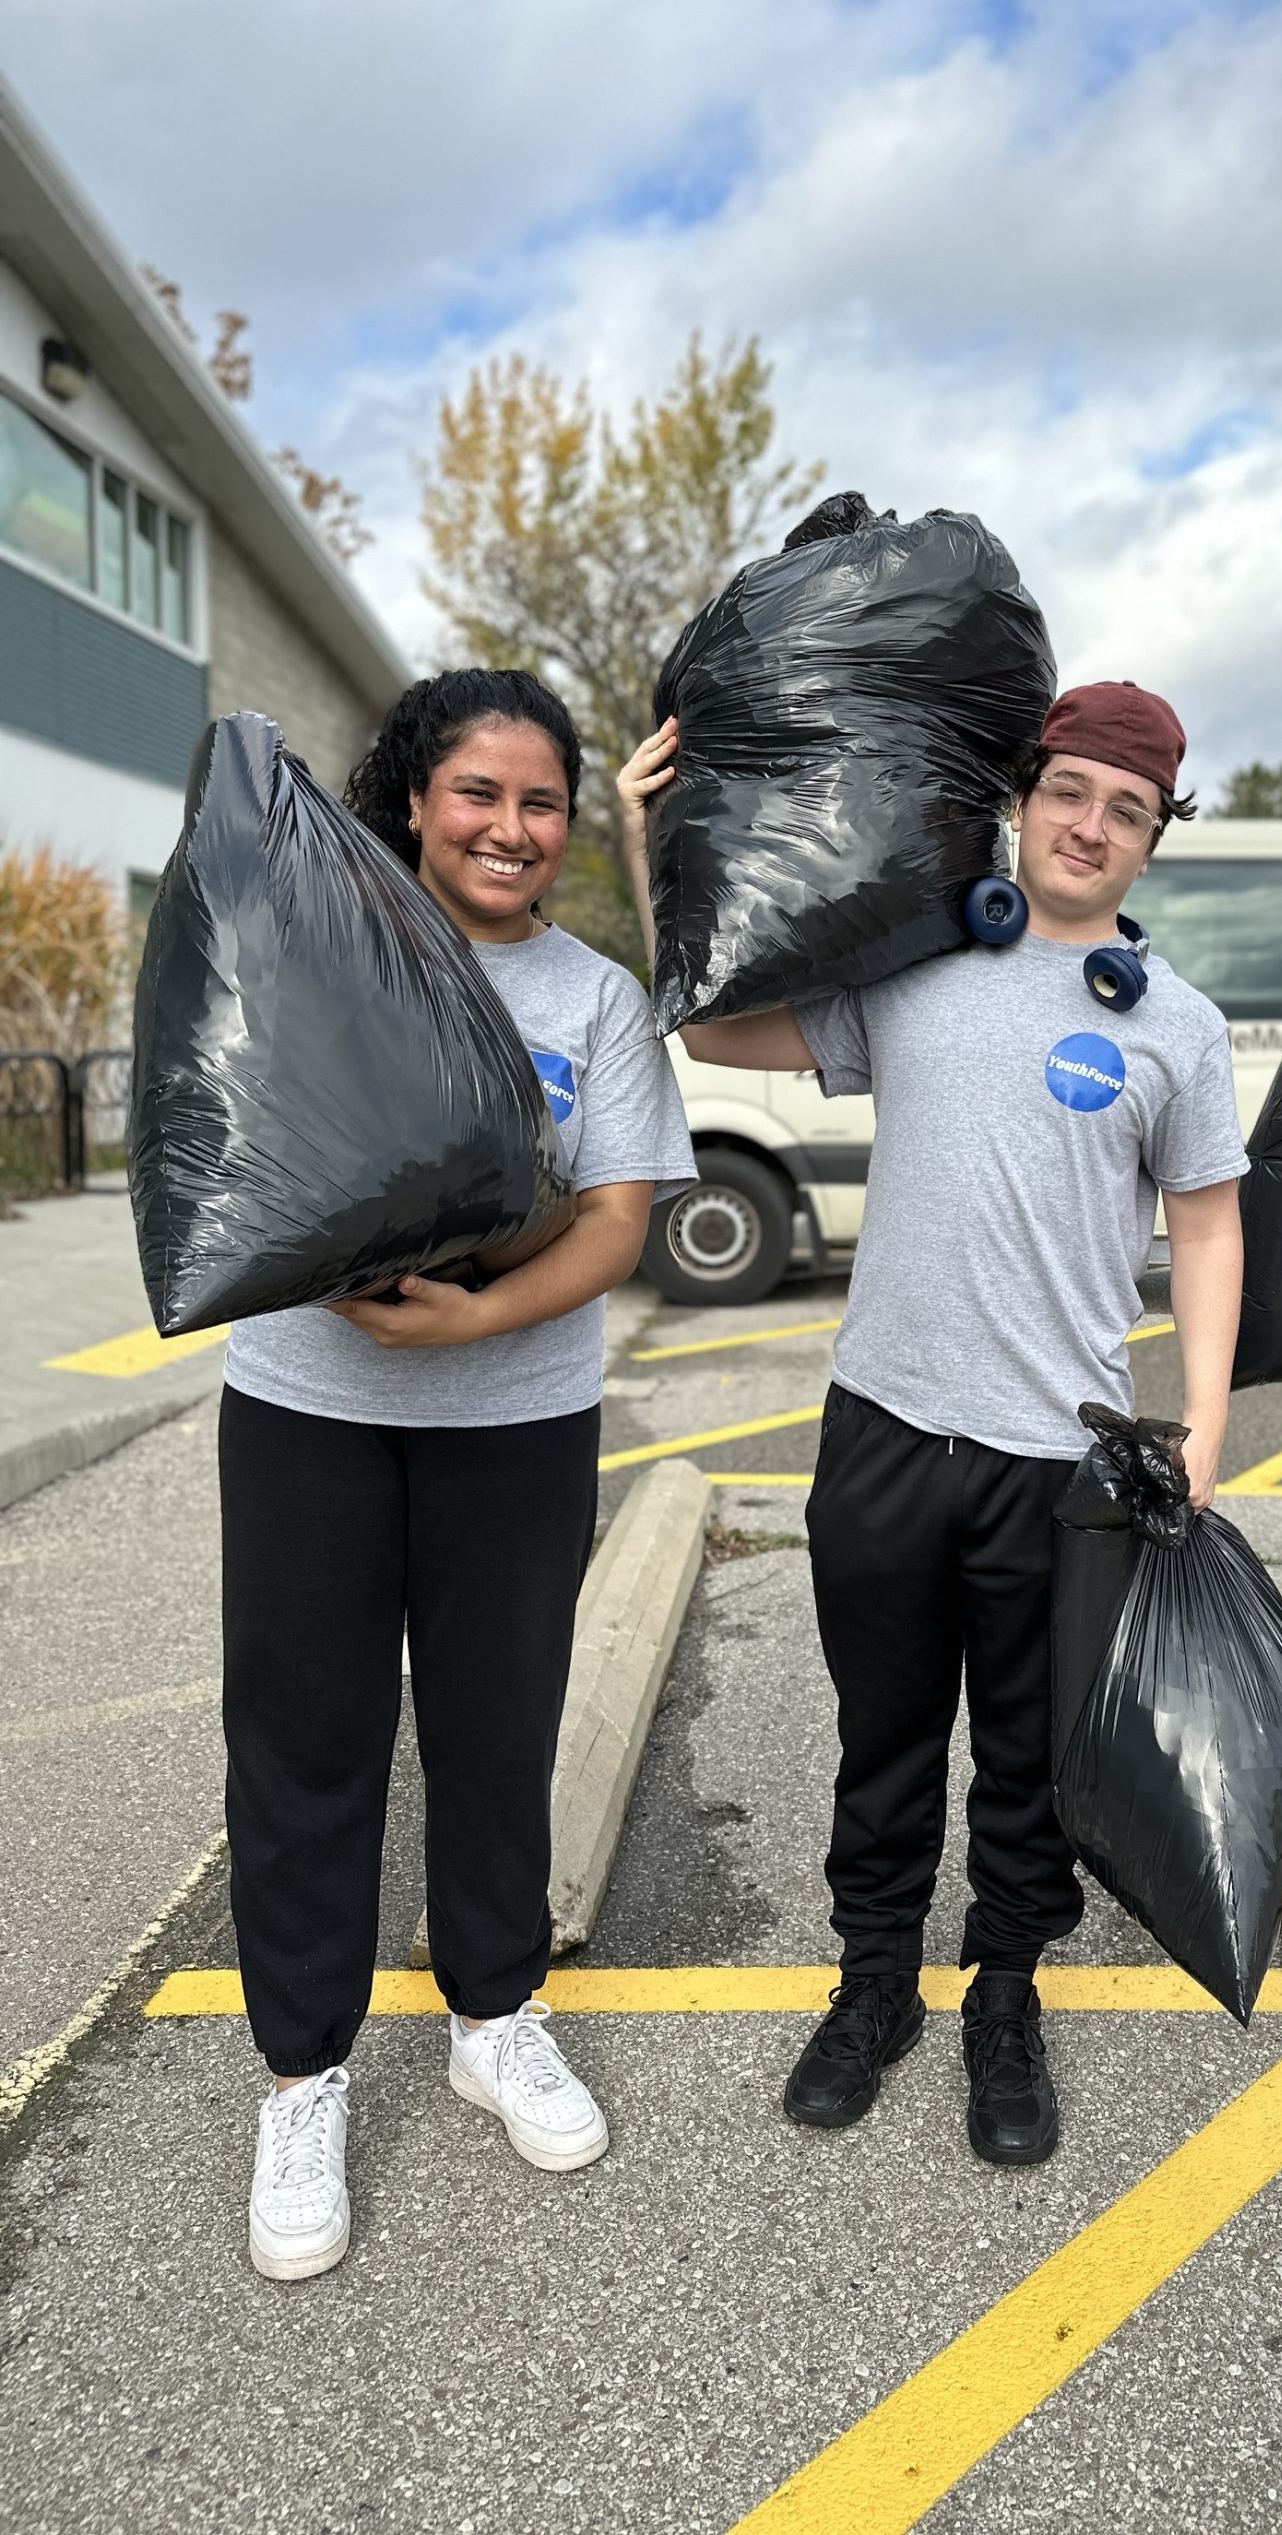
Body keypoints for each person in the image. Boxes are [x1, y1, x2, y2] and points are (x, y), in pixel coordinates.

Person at [618, 682, 1248, 2164]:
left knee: (1028, 1762)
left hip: (1063, 1454)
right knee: (884, 1733)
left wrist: (1203, 1424)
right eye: (1075, 791)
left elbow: (1210, 1229)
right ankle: (877, 1985)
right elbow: (715, 1031)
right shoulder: (914, 962)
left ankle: (1006, 1995)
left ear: (1154, 841)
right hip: (887, 1429)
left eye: (1130, 810)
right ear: (1025, 796)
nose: (1094, 825)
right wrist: (657, 841)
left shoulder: (1176, 1027)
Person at [222, 669, 695, 2281]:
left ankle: (496, 2015)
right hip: (303, 1406)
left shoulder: (596, 1001)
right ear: (414, 800)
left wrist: (476, 1318)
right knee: (306, 1744)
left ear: (570, 821)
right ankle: (304, 2075)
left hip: (517, 1423)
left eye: (541, 801)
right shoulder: (316, 955)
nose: (510, 828)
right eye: (478, 793)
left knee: (499, 1733)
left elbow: (621, 1220)